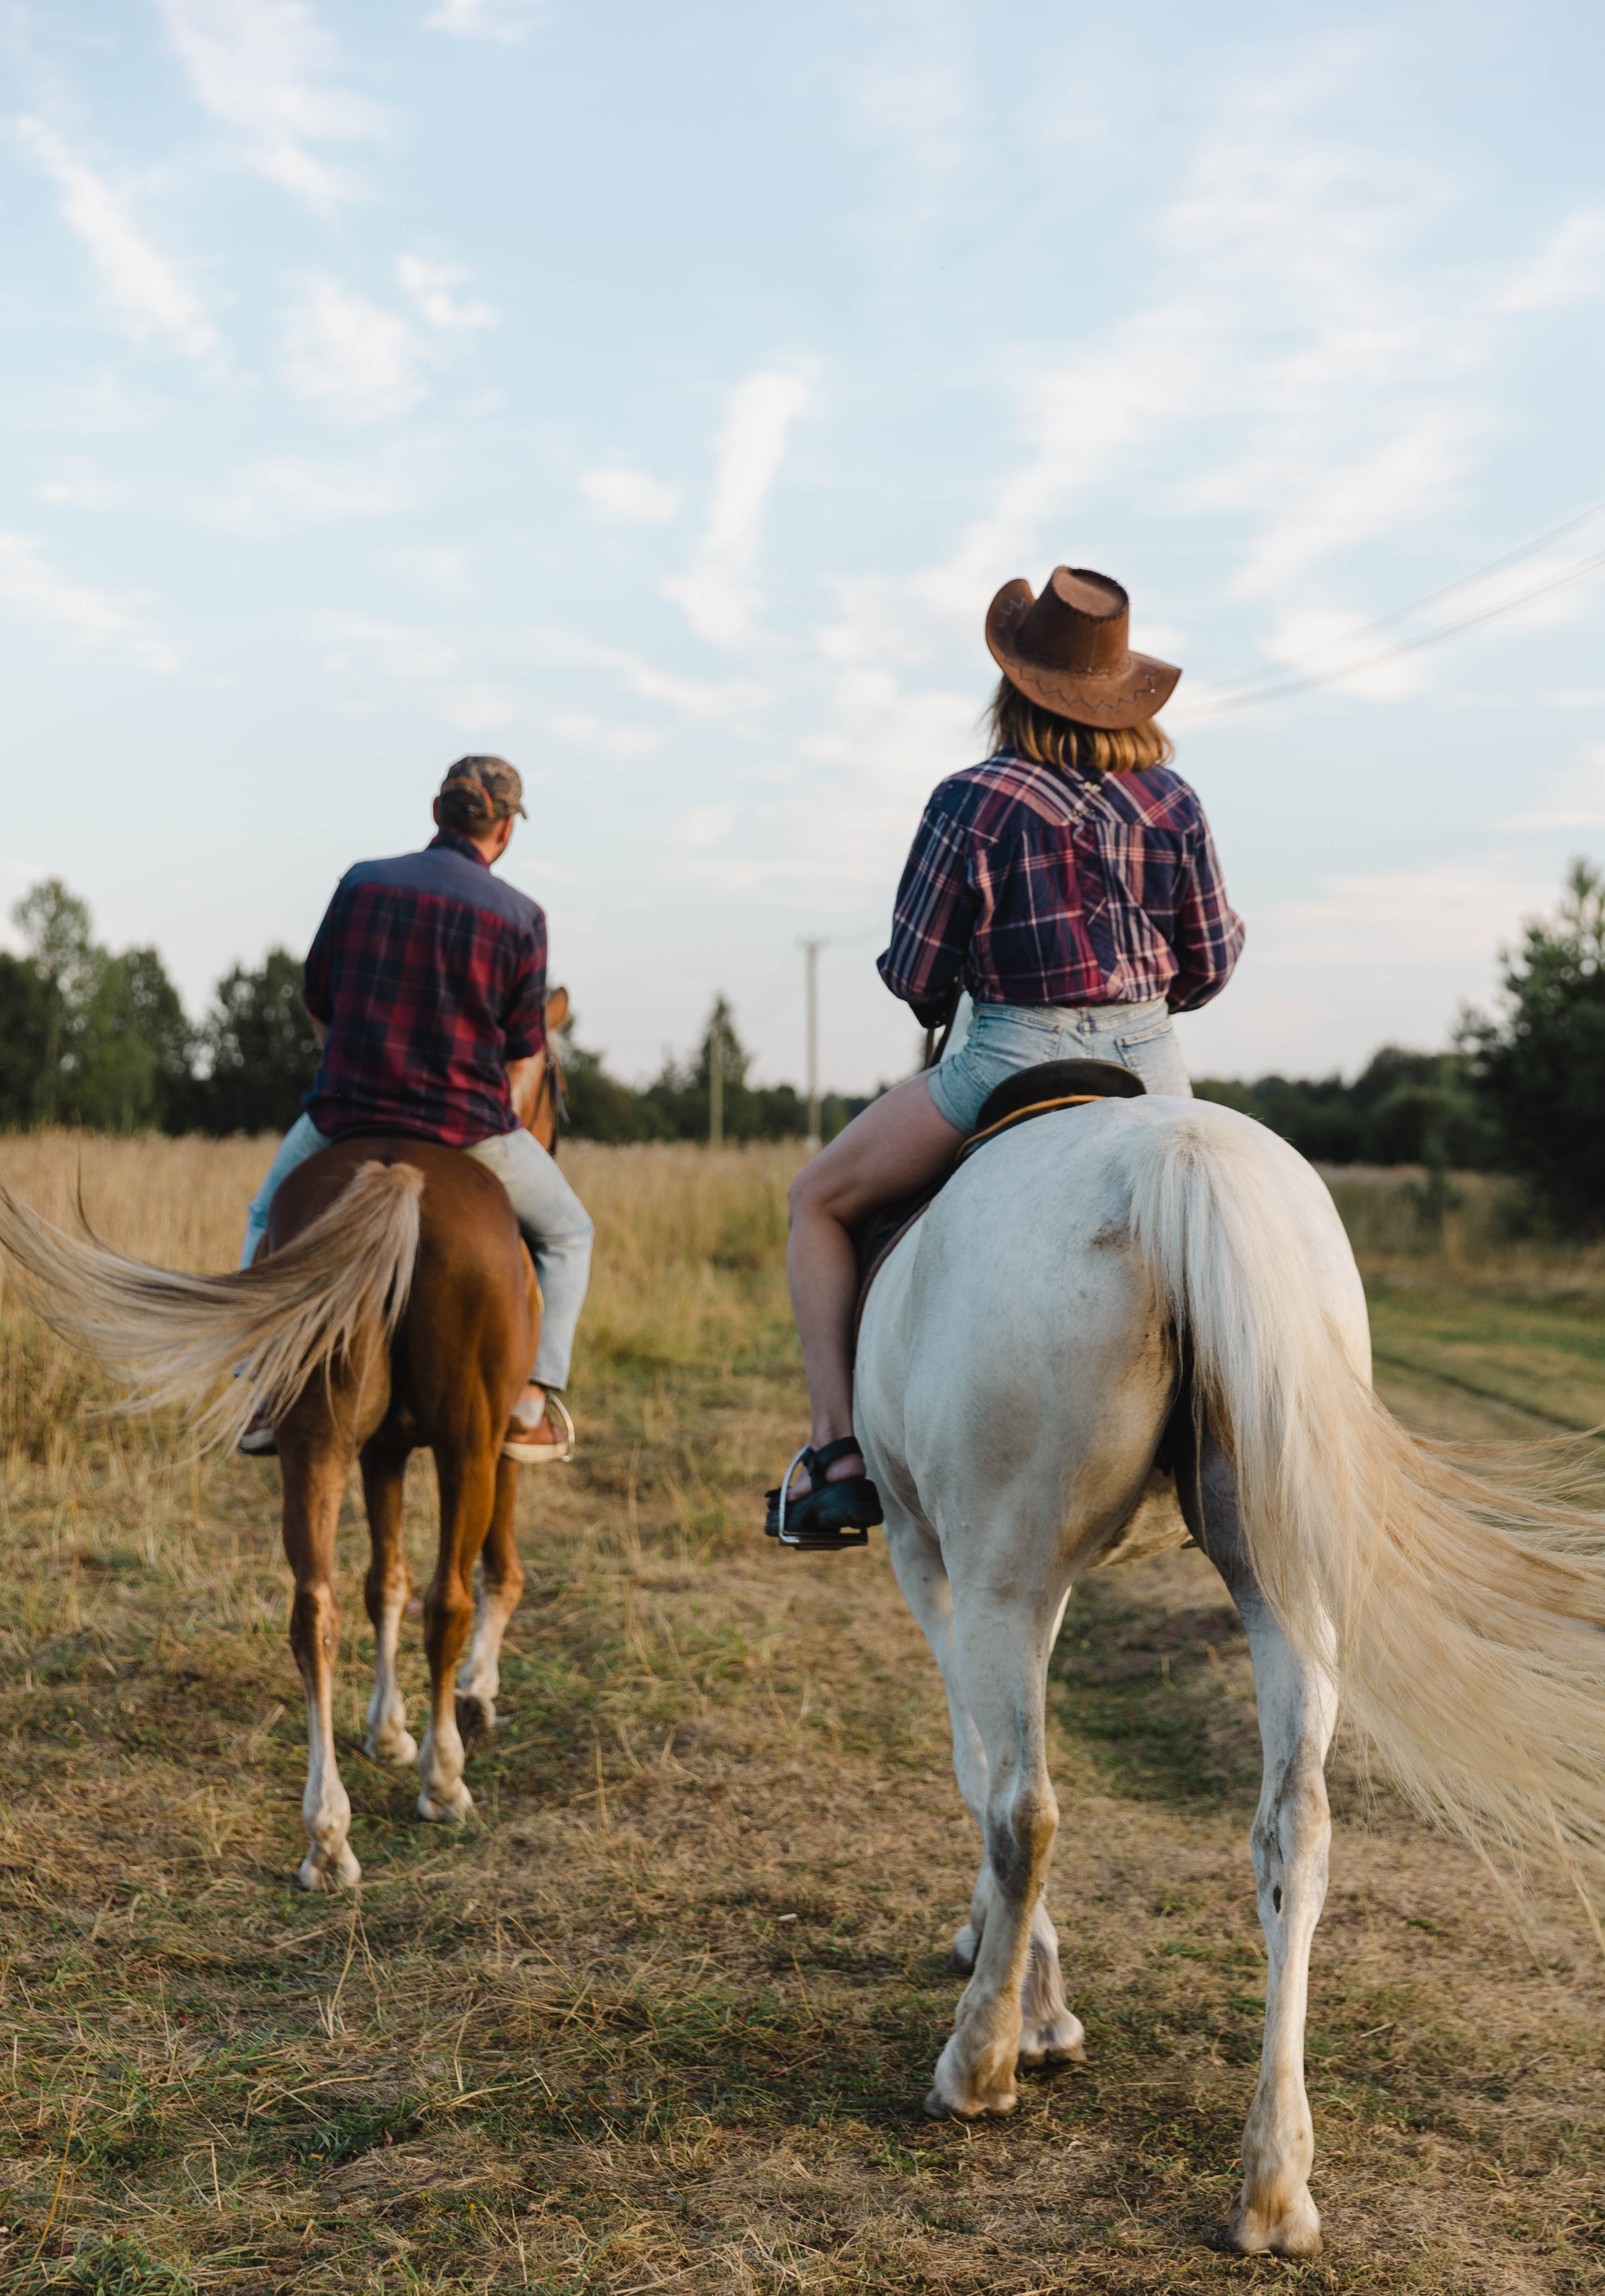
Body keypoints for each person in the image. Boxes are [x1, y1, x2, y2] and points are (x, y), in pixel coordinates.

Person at [774, 565, 1244, 1546]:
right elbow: (1212, 960)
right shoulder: (1175, 801)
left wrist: (945, 984)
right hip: (1154, 1066)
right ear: (1120, 692)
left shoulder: (969, 799)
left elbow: (915, 969)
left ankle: (835, 1450)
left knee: (819, 1196)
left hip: (1008, 1054)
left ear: (1014, 688)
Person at [236, 755, 594, 1465]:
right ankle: (531, 1395)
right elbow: (524, 1050)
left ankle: (261, 1386)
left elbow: (318, 1000)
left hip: (347, 1115)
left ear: (437, 812)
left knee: (262, 1215)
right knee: (569, 1234)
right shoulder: (522, 917)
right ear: (506, 831)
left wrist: (348, 1061)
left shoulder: (363, 883)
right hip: (468, 1129)